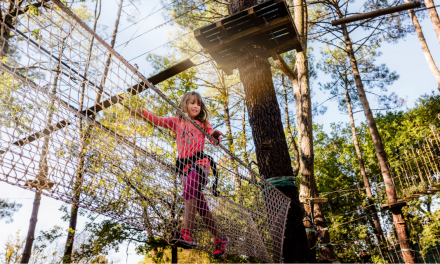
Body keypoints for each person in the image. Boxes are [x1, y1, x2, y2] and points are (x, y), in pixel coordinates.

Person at [130, 91, 229, 259]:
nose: (195, 106)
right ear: (184, 104)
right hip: (184, 168)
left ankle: (186, 233)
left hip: (200, 164)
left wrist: (215, 136)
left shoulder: (203, 124)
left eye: (198, 103)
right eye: (191, 103)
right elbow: (158, 120)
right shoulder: (177, 122)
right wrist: (141, 112)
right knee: (201, 208)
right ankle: (220, 239)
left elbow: (213, 140)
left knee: (190, 188)